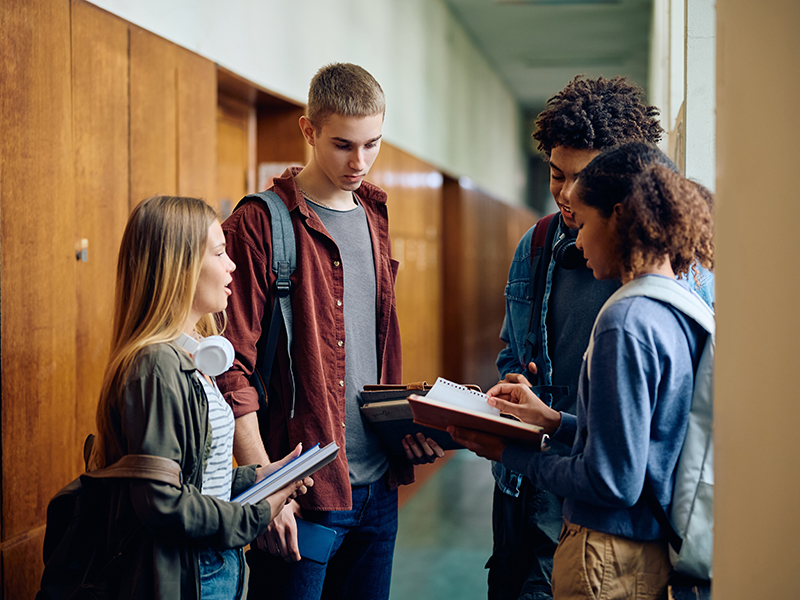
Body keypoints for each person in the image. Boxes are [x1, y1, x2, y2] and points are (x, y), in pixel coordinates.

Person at [217, 63, 442, 600]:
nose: (359, 162)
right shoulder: (259, 222)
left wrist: (406, 427)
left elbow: (374, 351)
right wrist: (267, 491)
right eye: (343, 145)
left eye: (373, 144)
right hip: (302, 497)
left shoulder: (375, 215)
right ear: (308, 130)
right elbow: (231, 368)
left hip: (377, 490)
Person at [452, 141, 715, 599]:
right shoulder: (678, 304)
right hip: (646, 546)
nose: (576, 241)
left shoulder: (625, 320)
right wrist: (552, 420)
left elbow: (611, 482)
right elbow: (637, 442)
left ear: (618, 218)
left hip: (605, 557)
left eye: (586, 222)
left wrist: (509, 453)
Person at [90, 195, 311, 600]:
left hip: (212, 567)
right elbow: (163, 504)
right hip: (192, 576)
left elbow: (195, 477)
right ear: (182, 268)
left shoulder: (185, 355)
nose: (232, 266)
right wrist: (258, 513)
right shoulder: (156, 366)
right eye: (221, 252)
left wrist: (258, 477)